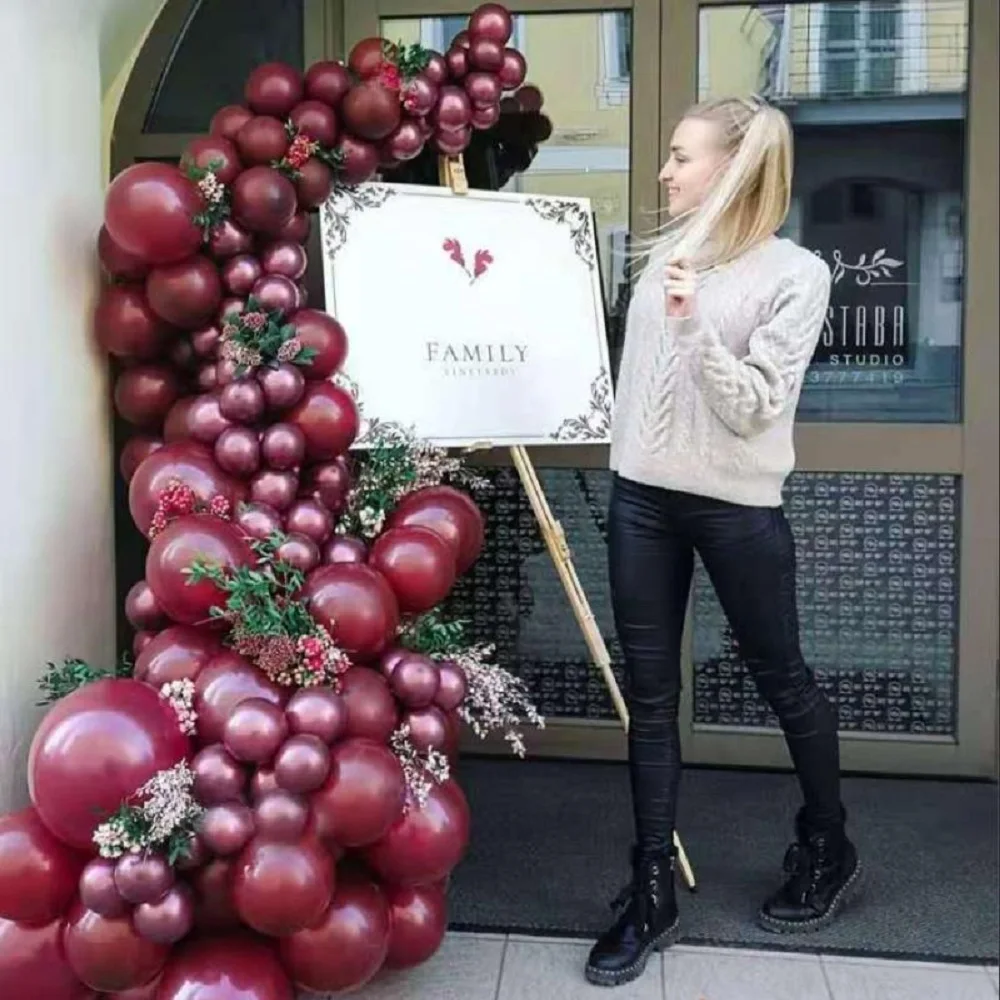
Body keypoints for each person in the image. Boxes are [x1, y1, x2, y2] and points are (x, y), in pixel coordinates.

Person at [585, 95, 861, 989]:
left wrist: (695, 324)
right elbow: (636, 391)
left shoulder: (798, 275)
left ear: (732, 167)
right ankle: (651, 888)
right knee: (650, 697)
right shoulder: (662, 256)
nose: (665, 172)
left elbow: (753, 408)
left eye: (682, 155)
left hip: (737, 507)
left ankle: (828, 843)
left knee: (783, 678)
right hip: (642, 502)